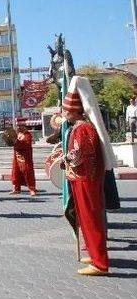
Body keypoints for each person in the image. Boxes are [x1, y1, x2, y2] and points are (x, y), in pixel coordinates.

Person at [61, 85, 109, 276]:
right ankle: (94, 254)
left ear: (74, 111)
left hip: (85, 180)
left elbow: (78, 154)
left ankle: (100, 263)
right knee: (86, 218)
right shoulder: (82, 127)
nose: (64, 114)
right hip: (84, 179)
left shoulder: (82, 129)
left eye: (66, 111)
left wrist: (64, 159)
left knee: (91, 219)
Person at [10, 122, 37, 196]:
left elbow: (26, 145)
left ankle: (32, 189)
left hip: (26, 157)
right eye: (18, 126)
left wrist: (16, 142)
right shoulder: (17, 134)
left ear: (24, 127)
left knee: (28, 172)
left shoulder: (28, 135)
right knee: (16, 171)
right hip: (17, 157)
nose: (18, 128)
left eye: (20, 126)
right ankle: (17, 188)